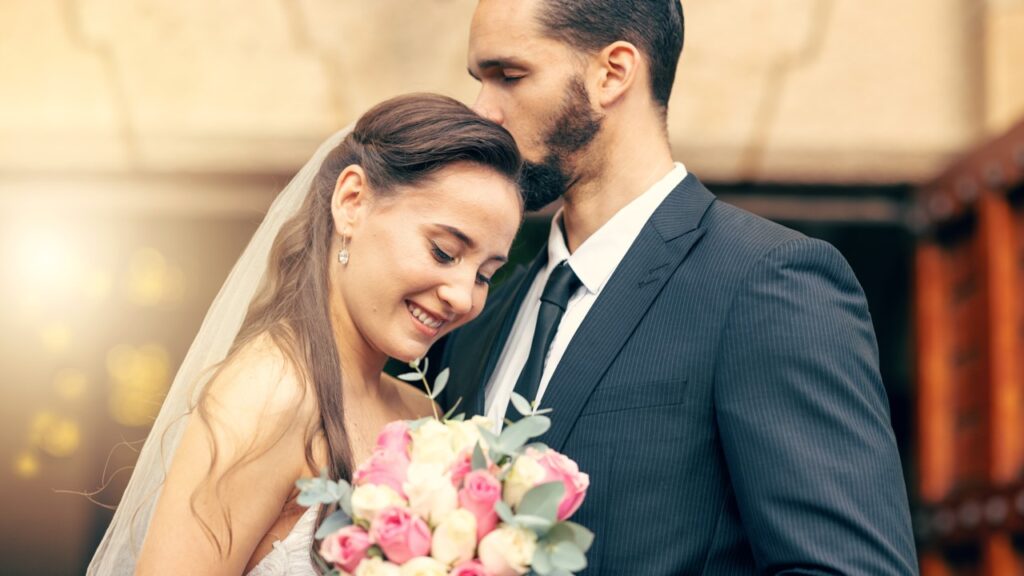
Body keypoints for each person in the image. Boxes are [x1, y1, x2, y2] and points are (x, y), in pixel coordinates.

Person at [440, 1, 918, 574]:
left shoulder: (768, 282)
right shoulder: (478, 315)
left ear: (613, 72)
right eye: (479, 80)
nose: (481, 111)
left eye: (509, 76)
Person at [87, 93, 523, 575]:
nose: (464, 297)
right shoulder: (268, 396)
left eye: (485, 275)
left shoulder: (425, 416)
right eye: (443, 252)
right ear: (352, 201)